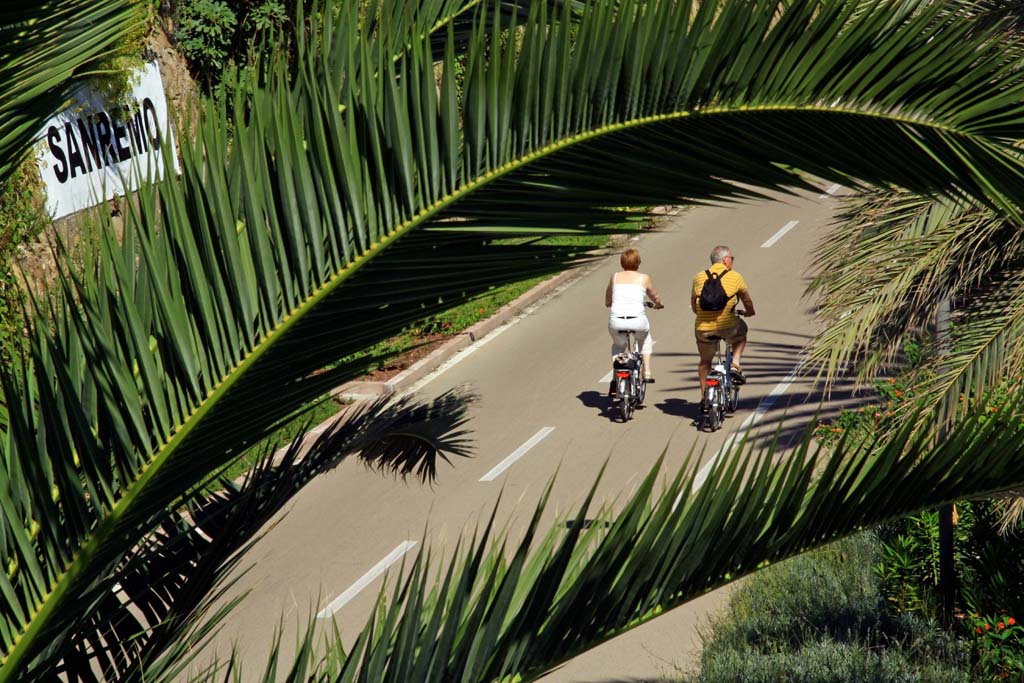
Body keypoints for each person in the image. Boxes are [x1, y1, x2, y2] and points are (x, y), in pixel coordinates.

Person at [691, 245, 756, 409]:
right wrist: (749, 312)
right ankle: (735, 364)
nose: (732, 261)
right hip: (728, 326)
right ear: (725, 260)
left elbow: (693, 302)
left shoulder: (699, 277)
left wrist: (701, 315)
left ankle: (705, 398)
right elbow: (747, 300)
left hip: (703, 329)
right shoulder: (735, 276)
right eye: (732, 259)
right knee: (741, 333)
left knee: (705, 362)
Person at [605, 248, 664, 396]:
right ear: (638, 263)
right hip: (637, 321)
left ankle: (615, 377)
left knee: (618, 345)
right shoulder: (644, 278)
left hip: (616, 321)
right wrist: (658, 304)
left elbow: (608, 298)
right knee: (645, 339)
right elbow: (654, 296)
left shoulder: (615, 277)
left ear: (622, 263)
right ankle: (647, 372)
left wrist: (609, 303)